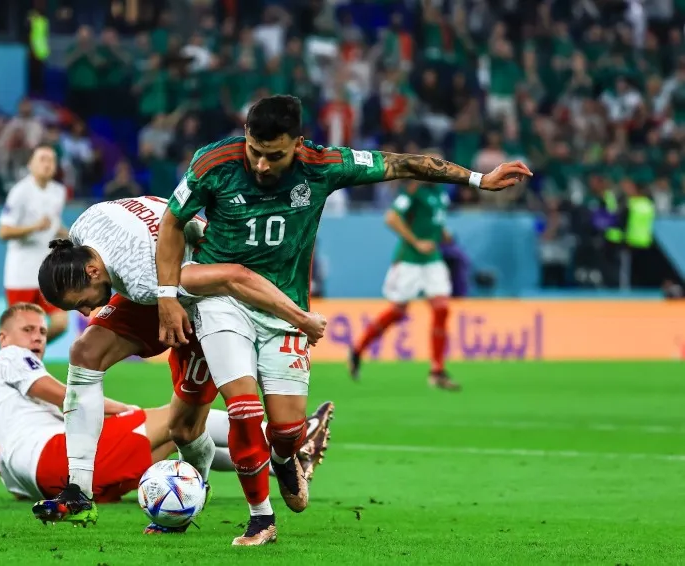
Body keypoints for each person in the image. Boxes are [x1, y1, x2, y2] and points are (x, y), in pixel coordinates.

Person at [155, 95, 532, 545]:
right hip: (221, 299)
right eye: (254, 150)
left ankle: (286, 454)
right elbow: (172, 223)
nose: (260, 164)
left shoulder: (324, 164)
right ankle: (260, 519)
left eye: (274, 155)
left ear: (298, 143)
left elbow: (402, 164)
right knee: (241, 407)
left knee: (285, 430)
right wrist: (166, 296)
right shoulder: (214, 161)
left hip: (285, 307)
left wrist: (477, 178)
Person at [31, 195, 330, 531]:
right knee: (85, 352)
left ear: (92, 270)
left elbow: (235, 276)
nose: (87, 313)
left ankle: (275, 457)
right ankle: (78, 493)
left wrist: (300, 317)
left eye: (82, 303)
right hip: (163, 288)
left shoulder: (143, 275)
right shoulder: (84, 227)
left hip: (207, 300)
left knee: (184, 430)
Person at [0, 303, 332, 509]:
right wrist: (125, 410)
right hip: (52, 459)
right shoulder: (9, 357)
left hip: (43, 481)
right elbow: (66, 396)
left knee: (175, 440)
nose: (37, 338)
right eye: (28, 330)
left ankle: (277, 467)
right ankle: (295, 440)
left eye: (42, 332)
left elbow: (14, 482)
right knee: (181, 418)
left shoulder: (8, 406)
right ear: (3, 339)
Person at [349, 152, 460, 389]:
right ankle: (358, 350)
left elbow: (433, 222)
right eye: (434, 165)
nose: (438, 169)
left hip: (432, 260)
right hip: (409, 260)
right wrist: (416, 241)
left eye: (441, 165)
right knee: (398, 312)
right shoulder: (412, 191)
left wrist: (443, 235)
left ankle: (437, 371)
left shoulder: (441, 193)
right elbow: (391, 218)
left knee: (441, 309)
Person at [0, 144, 68, 343]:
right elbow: (3, 231)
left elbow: (53, 226)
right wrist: (33, 227)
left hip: (47, 273)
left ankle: (28, 354)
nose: (47, 164)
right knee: (20, 331)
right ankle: (13, 361)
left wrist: (72, 236)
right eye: (42, 159)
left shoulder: (58, 192)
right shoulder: (20, 192)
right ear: (31, 164)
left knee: (61, 323)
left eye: (51, 160)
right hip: (21, 274)